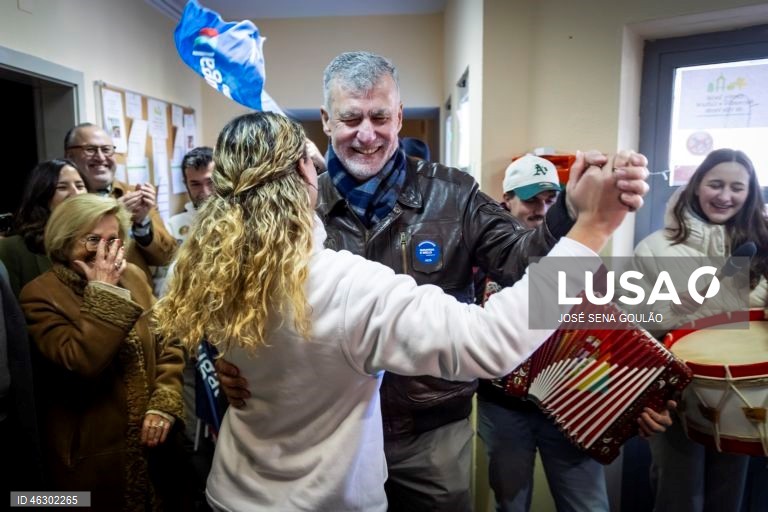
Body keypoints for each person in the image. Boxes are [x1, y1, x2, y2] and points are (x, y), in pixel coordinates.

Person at [215, 50, 654, 511]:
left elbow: (521, 262)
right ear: (325, 121)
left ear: (400, 116)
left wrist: (571, 213)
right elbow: (233, 287)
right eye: (350, 118)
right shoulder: (297, 204)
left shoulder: (453, 193)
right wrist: (231, 356)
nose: (367, 134)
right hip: (330, 434)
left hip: (432, 433)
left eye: (380, 116)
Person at [20, 194, 185, 511]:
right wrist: (105, 293)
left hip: (155, 450)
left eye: (113, 239)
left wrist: (164, 402)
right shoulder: (40, 294)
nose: (104, 250)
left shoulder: (134, 276)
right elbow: (82, 361)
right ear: (65, 242)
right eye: (92, 239)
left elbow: (167, 342)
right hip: (89, 463)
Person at [633, 148, 768, 512]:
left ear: (750, 193)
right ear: (696, 186)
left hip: (744, 396)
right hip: (674, 396)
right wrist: (676, 307)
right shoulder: (654, 248)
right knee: (678, 497)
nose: (725, 196)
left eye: (737, 188)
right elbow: (633, 326)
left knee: (728, 498)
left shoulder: (761, 245)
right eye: (716, 184)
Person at [477, 154, 610, 511]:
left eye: (551, 200)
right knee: (510, 503)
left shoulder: (581, 254)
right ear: (506, 200)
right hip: (504, 406)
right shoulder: (483, 256)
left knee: (587, 504)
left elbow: (603, 335)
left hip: (568, 403)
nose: (542, 209)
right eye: (532, 199)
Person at [64, 123, 177, 280]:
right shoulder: (65, 201)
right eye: (90, 150)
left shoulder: (134, 195)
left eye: (106, 150)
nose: (101, 157)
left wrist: (142, 223)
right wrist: (116, 215)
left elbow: (167, 257)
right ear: (70, 156)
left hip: (138, 297)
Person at [0, 159, 89, 297]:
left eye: (80, 186)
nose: (75, 193)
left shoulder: (98, 241)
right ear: (42, 196)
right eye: (62, 187)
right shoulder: (12, 248)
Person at [166, 146, 214, 244]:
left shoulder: (238, 219)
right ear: (186, 185)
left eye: (211, 182)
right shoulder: (173, 226)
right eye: (195, 184)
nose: (205, 192)